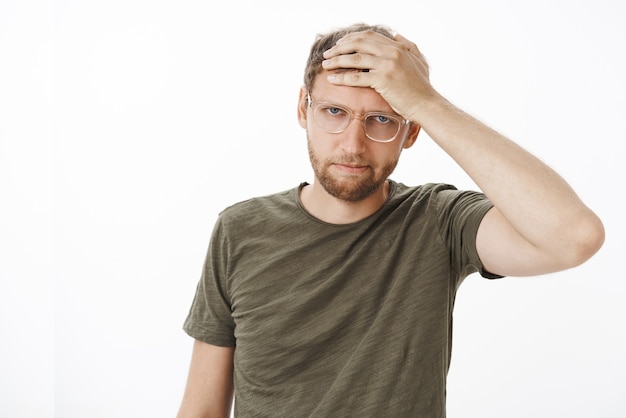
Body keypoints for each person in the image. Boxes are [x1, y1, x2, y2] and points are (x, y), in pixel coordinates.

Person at [176, 23, 605, 417]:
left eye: (382, 119)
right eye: (334, 112)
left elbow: (574, 237)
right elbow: (202, 411)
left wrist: (425, 101)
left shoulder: (438, 220)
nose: (353, 144)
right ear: (303, 109)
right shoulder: (239, 229)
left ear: (412, 131)